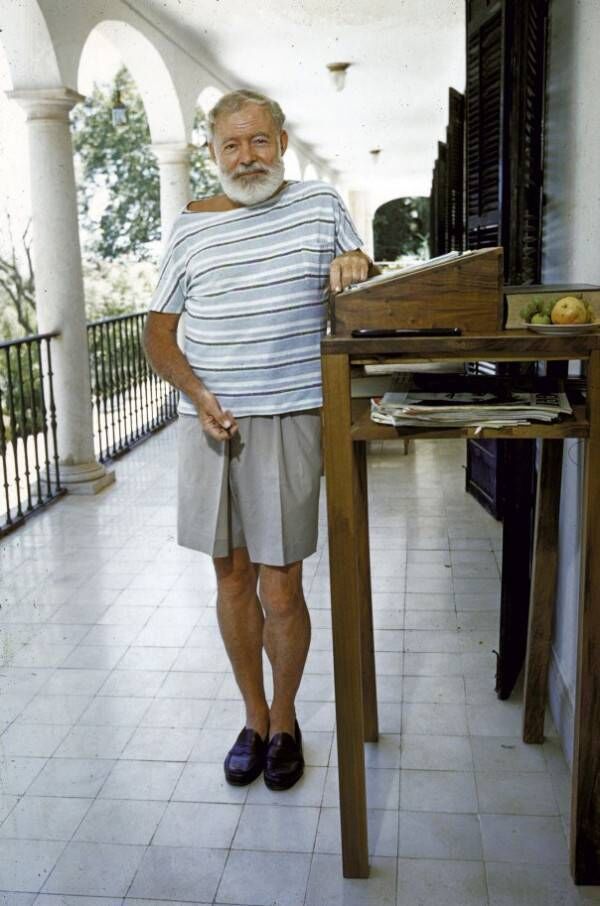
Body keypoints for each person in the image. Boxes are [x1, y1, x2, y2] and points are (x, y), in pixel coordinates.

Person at [144, 89, 371, 790]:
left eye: (259, 142)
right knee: (232, 579)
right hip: (209, 422)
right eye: (231, 146)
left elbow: (362, 289)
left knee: (282, 587)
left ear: (281, 141)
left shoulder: (320, 206)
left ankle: (286, 717)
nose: (247, 158)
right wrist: (197, 394)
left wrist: (360, 266)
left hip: (292, 415)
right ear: (212, 154)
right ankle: (252, 717)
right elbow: (157, 330)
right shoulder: (190, 227)